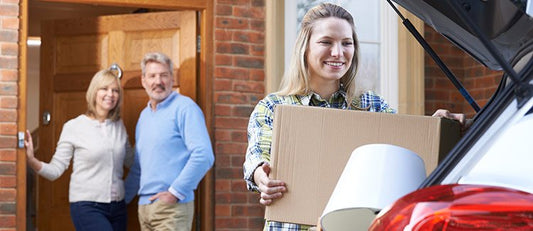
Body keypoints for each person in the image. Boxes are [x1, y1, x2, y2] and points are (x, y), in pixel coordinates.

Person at [243, 3, 396, 230]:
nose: (338, 52)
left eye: (347, 43)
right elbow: (258, 157)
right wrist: (261, 178)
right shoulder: (273, 107)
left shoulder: (372, 106)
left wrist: (438, 124)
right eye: (326, 42)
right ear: (305, 48)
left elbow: (404, 149)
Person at [25, 69, 134, 231]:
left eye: (115, 90)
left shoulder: (119, 126)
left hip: (118, 207)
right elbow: (56, 170)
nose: (110, 94)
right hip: (87, 206)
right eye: (104, 89)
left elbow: (132, 162)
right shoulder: (74, 126)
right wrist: (32, 161)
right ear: (94, 92)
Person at [124, 52, 214, 231]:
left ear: (172, 79)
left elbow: (204, 155)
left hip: (172, 208)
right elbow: (138, 167)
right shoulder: (144, 116)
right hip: (144, 209)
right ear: (143, 81)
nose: (158, 81)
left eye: (164, 75)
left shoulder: (185, 108)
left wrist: (175, 193)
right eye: (152, 76)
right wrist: (121, 200)